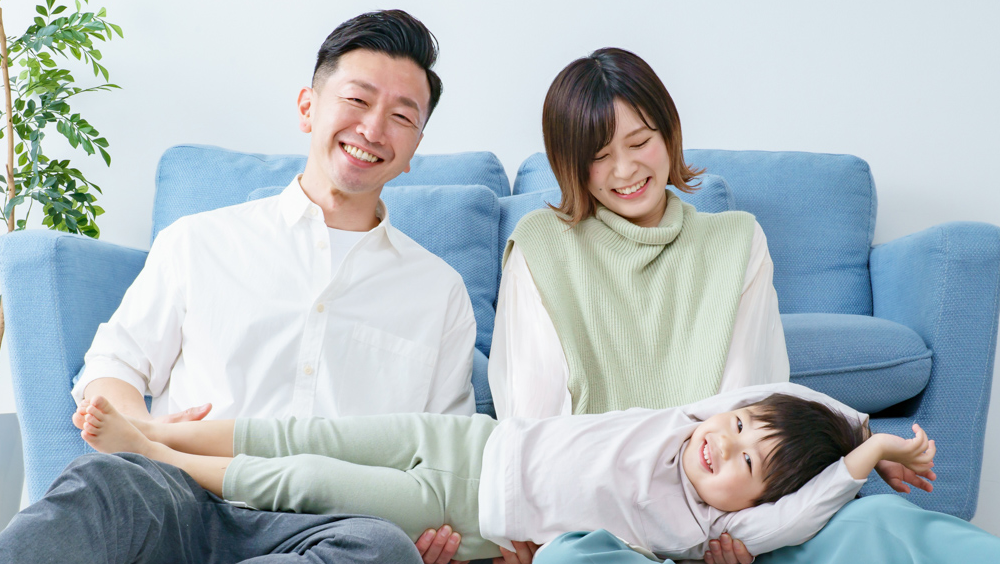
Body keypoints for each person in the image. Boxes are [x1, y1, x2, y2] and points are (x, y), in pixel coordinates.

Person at [0, 10, 473, 564]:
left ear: (415, 148)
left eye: (401, 116)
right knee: (104, 484)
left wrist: (433, 531)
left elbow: (449, 456)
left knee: (384, 549)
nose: (372, 129)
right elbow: (113, 366)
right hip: (177, 496)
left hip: (332, 526)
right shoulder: (200, 241)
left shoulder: (440, 292)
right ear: (308, 107)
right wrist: (144, 430)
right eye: (357, 100)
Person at [495, 47, 1000, 564]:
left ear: (669, 132)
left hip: (728, 514)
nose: (625, 169)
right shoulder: (542, 243)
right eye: (599, 156)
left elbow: (757, 395)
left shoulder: (736, 240)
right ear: (570, 164)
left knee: (880, 521)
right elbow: (534, 418)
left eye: (640, 142)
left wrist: (852, 446)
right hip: (593, 520)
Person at [75, 382, 937, 563]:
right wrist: (861, 423)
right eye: (737, 426)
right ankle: (157, 426)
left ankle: (155, 457)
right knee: (309, 428)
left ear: (751, 503)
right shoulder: (686, 420)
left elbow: (802, 512)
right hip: (468, 439)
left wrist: (866, 458)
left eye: (746, 463)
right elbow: (778, 393)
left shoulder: (707, 524)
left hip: (458, 507)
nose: (725, 443)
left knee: (305, 476)